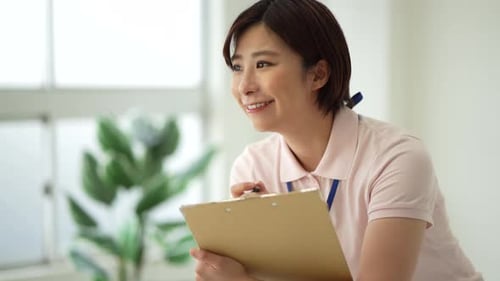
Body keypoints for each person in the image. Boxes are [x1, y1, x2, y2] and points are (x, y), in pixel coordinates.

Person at [190, 0, 483, 280]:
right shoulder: (254, 166)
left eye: (264, 64)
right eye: (238, 67)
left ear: (318, 74)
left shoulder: (397, 158)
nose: (244, 86)